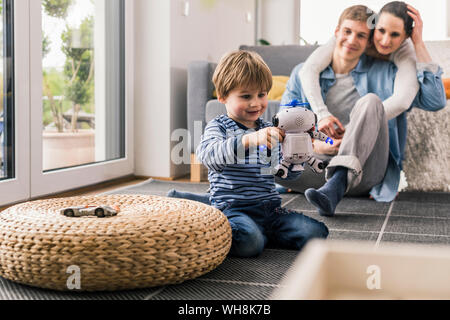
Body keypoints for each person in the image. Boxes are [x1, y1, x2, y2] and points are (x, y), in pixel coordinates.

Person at [278, 4, 446, 217]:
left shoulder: (389, 73)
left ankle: (339, 181)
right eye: (347, 32)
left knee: (371, 101)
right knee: (261, 152)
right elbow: (284, 127)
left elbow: (435, 101)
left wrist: (418, 43)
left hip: (366, 174)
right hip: (317, 167)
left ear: (368, 42)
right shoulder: (303, 73)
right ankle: (331, 187)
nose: (352, 40)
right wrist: (315, 143)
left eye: (361, 35)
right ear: (336, 32)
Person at [169, 50, 328, 258]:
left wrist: (295, 160)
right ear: (222, 96)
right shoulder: (220, 127)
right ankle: (210, 207)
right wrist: (249, 140)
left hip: (269, 208)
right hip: (233, 206)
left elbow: (280, 174)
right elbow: (207, 155)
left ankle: (260, 231)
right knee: (250, 244)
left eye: (261, 94)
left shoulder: (268, 129)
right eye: (246, 96)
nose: (256, 103)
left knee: (316, 234)